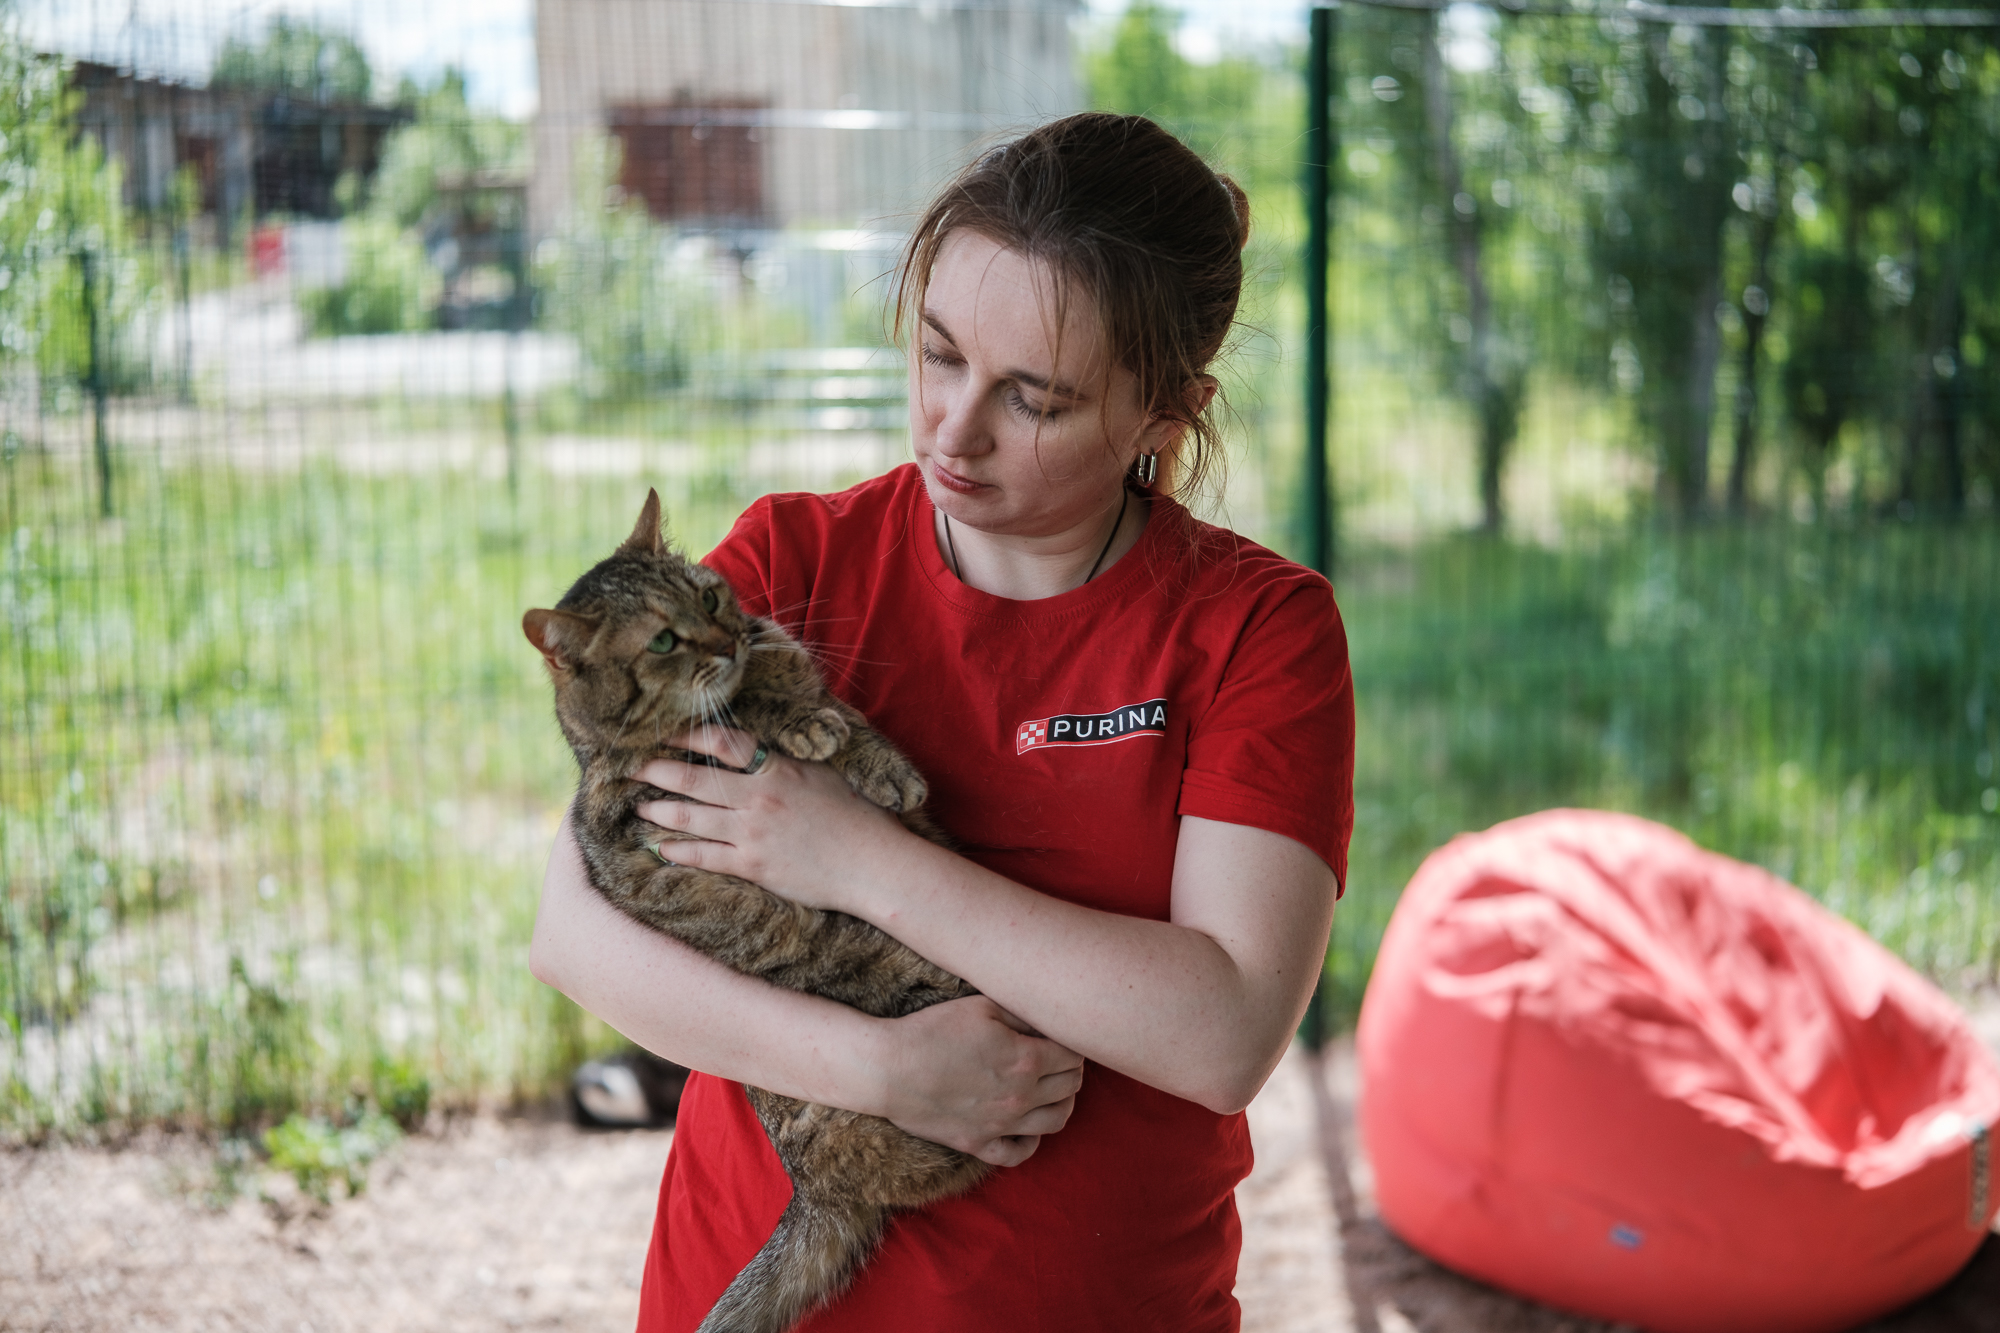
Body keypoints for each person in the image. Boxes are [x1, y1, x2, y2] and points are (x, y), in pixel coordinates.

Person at [529, 112, 1355, 1331]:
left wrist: (854, 857)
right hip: (762, 1286)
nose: (953, 431)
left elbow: (1222, 1028)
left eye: (1035, 399)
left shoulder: (1254, 630)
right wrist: (881, 1071)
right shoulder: (788, 563)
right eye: (938, 353)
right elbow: (575, 932)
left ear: (1163, 416)